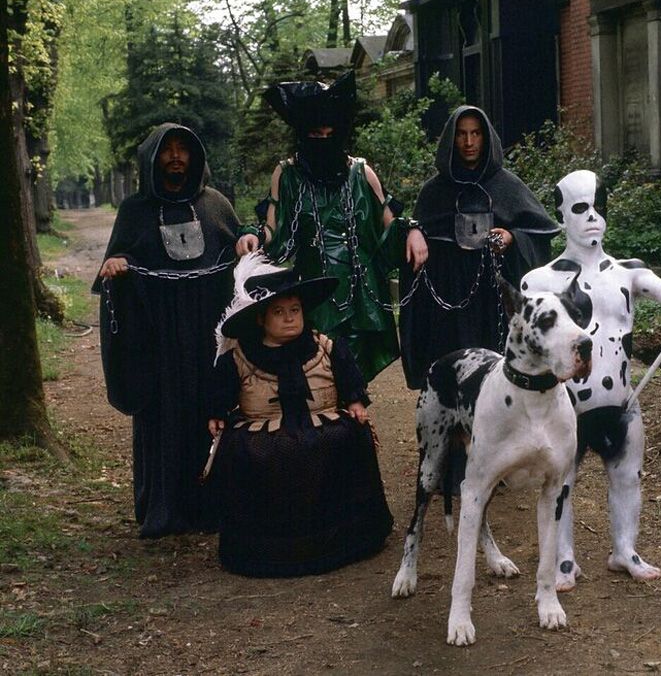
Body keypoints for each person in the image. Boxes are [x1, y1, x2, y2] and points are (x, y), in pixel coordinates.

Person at [522, 169, 661, 590]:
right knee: (561, 481)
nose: (593, 217)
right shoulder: (540, 281)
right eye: (581, 208)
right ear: (561, 215)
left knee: (627, 476)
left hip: (622, 400)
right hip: (568, 403)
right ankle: (563, 557)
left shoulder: (627, 272)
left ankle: (624, 548)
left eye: (599, 207)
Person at [93, 123, 239, 538]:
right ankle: (165, 507)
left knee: (212, 411)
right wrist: (117, 263)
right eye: (167, 150)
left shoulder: (215, 204)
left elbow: (236, 241)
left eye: (183, 150)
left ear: (195, 158)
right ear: (152, 158)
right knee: (162, 417)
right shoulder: (134, 211)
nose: (176, 157)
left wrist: (246, 237)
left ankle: (211, 505)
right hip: (157, 340)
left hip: (207, 335)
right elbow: (118, 262)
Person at [235, 71, 426, 383]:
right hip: (315, 291)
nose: (323, 140)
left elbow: (390, 225)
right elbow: (273, 229)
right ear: (302, 133)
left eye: (330, 133)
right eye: (315, 134)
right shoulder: (287, 174)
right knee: (317, 372)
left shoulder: (361, 172)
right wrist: (251, 234)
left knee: (355, 380)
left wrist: (415, 230)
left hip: (362, 294)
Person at [207, 259, 392, 577]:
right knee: (247, 451)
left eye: (295, 310)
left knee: (350, 436)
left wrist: (356, 402)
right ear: (262, 318)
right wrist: (216, 414)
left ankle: (349, 538)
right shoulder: (239, 357)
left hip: (323, 425)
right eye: (279, 312)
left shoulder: (326, 347)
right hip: (263, 434)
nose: (290, 318)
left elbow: (349, 378)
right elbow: (221, 393)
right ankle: (269, 550)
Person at [399, 105, 560, 389]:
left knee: (495, 369)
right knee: (452, 369)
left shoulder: (507, 186)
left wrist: (512, 237)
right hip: (450, 297)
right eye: (462, 134)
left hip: (492, 297)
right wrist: (414, 230)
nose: (469, 142)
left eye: (475, 133)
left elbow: (539, 230)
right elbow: (420, 227)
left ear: (486, 137)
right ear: (452, 139)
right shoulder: (434, 190)